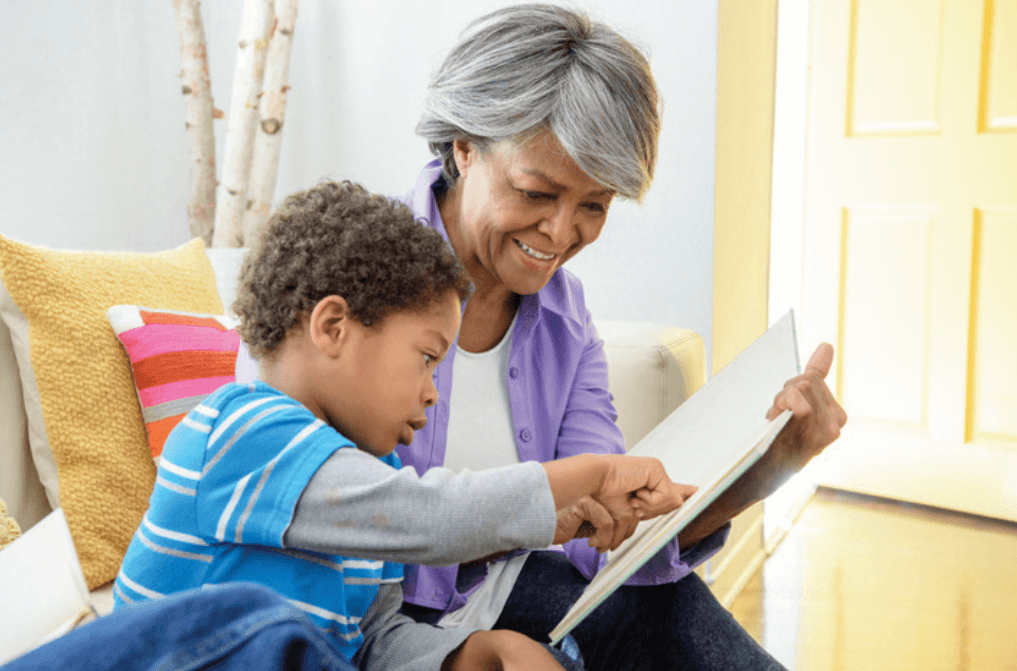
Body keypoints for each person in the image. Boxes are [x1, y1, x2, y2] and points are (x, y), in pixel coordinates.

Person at [12, 181, 690, 671]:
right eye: (426, 358)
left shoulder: (367, 483)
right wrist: (590, 476)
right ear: (333, 325)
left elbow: (372, 638)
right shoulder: (240, 432)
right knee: (260, 621)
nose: (431, 393)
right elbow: (424, 516)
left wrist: (462, 655)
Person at [394, 5, 849, 671]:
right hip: (385, 614)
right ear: (464, 145)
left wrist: (764, 468)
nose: (557, 234)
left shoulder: (563, 311)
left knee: (669, 608)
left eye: (593, 206)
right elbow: (331, 511)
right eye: (534, 192)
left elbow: (602, 538)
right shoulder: (357, 273)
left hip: (517, 589)